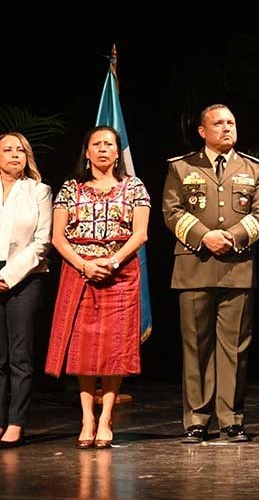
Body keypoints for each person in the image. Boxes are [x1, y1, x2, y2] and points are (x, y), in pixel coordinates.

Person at [162, 104, 259, 444]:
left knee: (235, 347)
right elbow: (171, 209)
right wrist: (203, 236)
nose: (227, 128)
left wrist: (233, 237)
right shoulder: (181, 167)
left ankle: (231, 419)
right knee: (196, 346)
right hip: (195, 265)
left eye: (231, 123)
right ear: (202, 131)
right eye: (219, 123)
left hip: (237, 268)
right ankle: (196, 418)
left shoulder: (253, 169)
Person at [45, 126, 150, 449]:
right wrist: (84, 264)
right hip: (79, 272)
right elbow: (57, 237)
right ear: (87, 152)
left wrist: (113, 261)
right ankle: (87, 417)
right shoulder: (70, 188)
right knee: (83, 349)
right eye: (97, 144)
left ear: (118, 152)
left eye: (109, 144)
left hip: (120, 273)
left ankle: (105, 419)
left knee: (113, 349)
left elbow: (140, 234)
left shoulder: (133, 187)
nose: (103, 149)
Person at [0, 133, 53, 448]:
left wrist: (8, 276)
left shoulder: (39, 191)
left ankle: (16, 423)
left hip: (26, 276)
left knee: (20, 355)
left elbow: (43, 240)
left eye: (21, 150)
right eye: (7, 150)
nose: (14, 155)